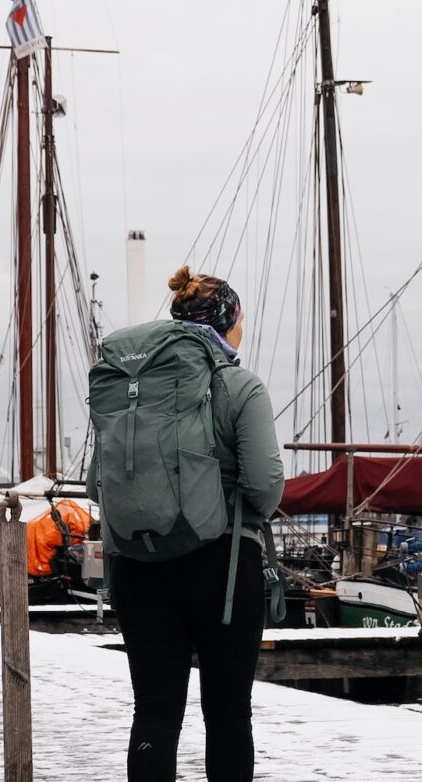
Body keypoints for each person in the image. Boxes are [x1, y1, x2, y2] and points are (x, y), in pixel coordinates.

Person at [108, 266, 284, 782]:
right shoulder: (240, 387)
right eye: (240, 321)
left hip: (138, 562)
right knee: (228, 714)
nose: (242, 331)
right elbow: (265, 488)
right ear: (226, 323)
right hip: (223, 568)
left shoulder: (135, 387)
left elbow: (103, 483)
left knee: (155, 712)